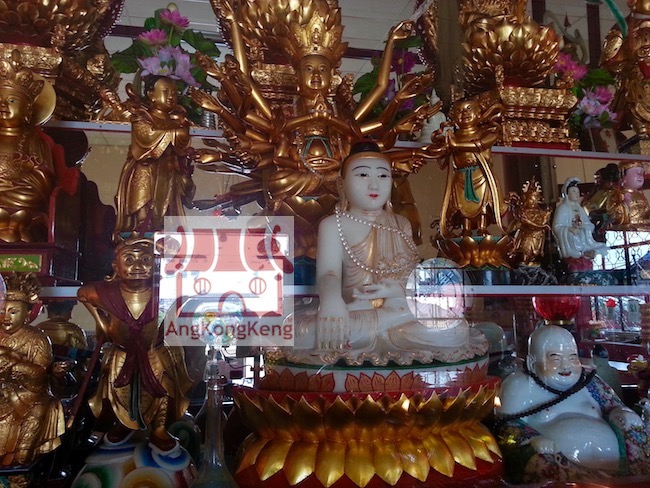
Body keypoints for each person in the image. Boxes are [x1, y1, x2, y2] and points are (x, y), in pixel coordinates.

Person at [190, 2, 437, 258]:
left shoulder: (340, 114)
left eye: (323, 70)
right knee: (277, 180)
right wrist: (233, 23)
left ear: (332, 77)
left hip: (332, 179)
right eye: (308, 69)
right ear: (297, 77)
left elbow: (378, 93)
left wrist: (392, 42)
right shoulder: (286, 111)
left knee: (351, 181)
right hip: (296, 178)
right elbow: (255, 100)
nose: (316, 76)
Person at [285, 142, 487, 366]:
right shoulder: (333, 225)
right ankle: (384, 327)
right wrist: (332, 302)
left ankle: (385, 325)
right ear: (342, 184)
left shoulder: (400, 224)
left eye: (383, 176)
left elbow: (412, 280)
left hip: (399, 309)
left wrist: (395, 291)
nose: (374, 184)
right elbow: (328, 274)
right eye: (362, 175)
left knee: (455, 328)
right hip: (354, 312)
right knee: (301, 331)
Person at [77, 236, 194, 452]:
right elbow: (83, 293)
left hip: (155, 351)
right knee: (118, 388)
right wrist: (101, 322)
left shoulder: (164, 291)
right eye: (129, 260)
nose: (138, 266)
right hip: (122, 353)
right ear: (116, 266)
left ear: (155, 264)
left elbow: (190, 285)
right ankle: (124, 424)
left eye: (146, 260)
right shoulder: (106, 293)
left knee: (163, 387)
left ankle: (159, 428)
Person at [497, 325, 650, 484]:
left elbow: (614, 406)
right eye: (556, 359)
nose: (566, 366)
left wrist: (623, 414)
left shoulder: (589, 382)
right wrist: (532, 440)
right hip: (561, 467)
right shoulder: (519, 386)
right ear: (532, 363)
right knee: (537, 462)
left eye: (572, 358)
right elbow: (506, 427)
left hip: (619, 468)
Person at [114, 75, 195, 236]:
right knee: (144, 202)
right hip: (146, 168)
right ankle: (142, 224)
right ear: (151, 95)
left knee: (168, 207)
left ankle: (162, 227)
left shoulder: (176, 121)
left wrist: (179, 131)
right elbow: (147, 137)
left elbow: (183, 141)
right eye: (166, 91)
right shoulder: (142, 117)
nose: (171, 96)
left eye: (174, 92)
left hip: (169, 171)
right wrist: (174, 133)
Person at [0, 272, 65, 466]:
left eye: (13, 311)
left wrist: (14, 364)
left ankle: (21, 465)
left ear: (27, 313)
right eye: (2, 310)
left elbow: (40, 376)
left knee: (36, 414)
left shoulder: (37, 339)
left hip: (27, 397)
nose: (6, 317)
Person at [0, 52, 57, 243]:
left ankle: (15, 229)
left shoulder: (34, 140)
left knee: (26, 203)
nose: (3, 105)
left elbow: (45, 179)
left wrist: (27, 169)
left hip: (20, 194)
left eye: (11, 100)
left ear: (27, 110)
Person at [428, 98, 506, 238]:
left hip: (481, 174)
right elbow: (443, 163)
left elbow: (480, 145)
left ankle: (482, 227)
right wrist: (441, 148)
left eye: (468, 109)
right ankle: (466, 228)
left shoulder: (487, 133)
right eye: (459, 111)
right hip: (461, 176)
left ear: (478, 113)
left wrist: (456, 146)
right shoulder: (453, 136)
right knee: (462, 205)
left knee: (483, 203)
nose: (464, 113)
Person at [552, 177, 607, 271]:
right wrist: (569, 229)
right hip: (571, 238)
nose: (576, 194)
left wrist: (584, 227)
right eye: (573, 191)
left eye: (577, 191)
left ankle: (587, 253)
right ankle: (578, 255)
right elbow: (557, 227)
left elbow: (589, 224)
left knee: (588, 237)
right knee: (573, 236)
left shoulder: (580, 208)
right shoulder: (563, 208)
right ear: (567, 194)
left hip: (583, 237)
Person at [506, 178, 552, 266]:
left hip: (537, 236)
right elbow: (526, 222)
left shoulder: (539, 211)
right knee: (525, 251)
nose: (533, 202)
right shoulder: (523, 211)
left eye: (535, 200)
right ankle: (523, 264)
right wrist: (541, 227)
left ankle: (531, 263)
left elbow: (543, 221)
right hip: (527, 235)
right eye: (531, 199)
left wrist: (547, 214)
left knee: (534, 254)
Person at [606, 161, 650, 229]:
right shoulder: (617, 194)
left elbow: (646, 212)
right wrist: (625, 204)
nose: (641, 176)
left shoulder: (641, 196)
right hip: (626, 228)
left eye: (642, 173)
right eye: (637, 173)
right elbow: (612, 214)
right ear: (623, 176)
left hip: (642, 225)